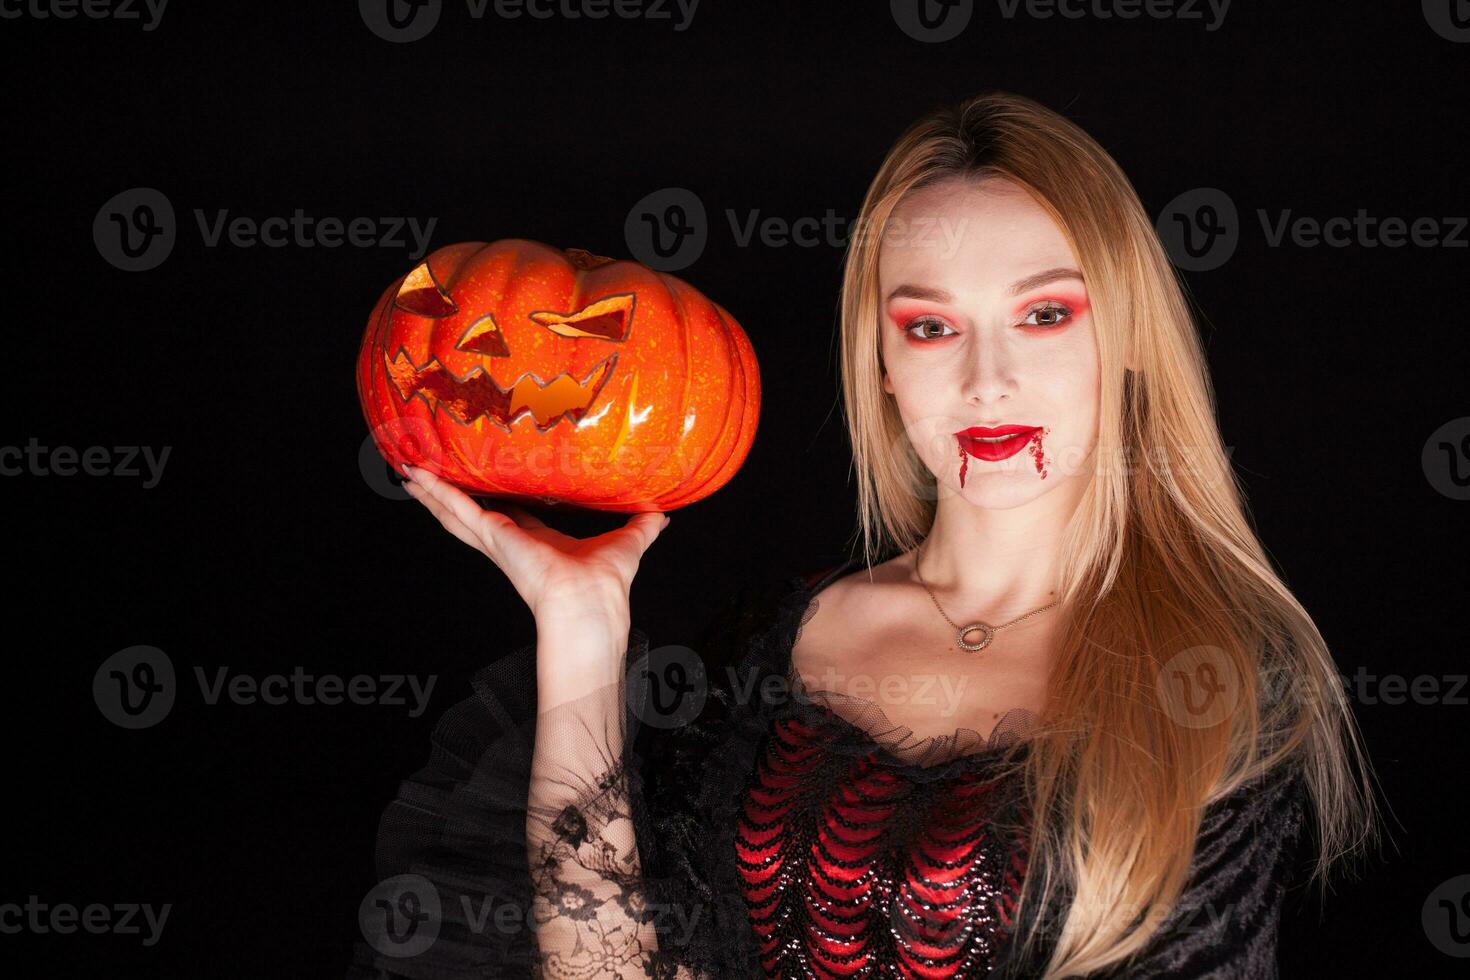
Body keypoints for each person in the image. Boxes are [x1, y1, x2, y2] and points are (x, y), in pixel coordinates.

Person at [356, 92, 1376, 979]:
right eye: (930, 326)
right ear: (882, 363)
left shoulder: (1215, 676)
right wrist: (580, 624)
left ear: (1130, 338)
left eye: (1045, 315)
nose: (986, 379)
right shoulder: (773, 639)